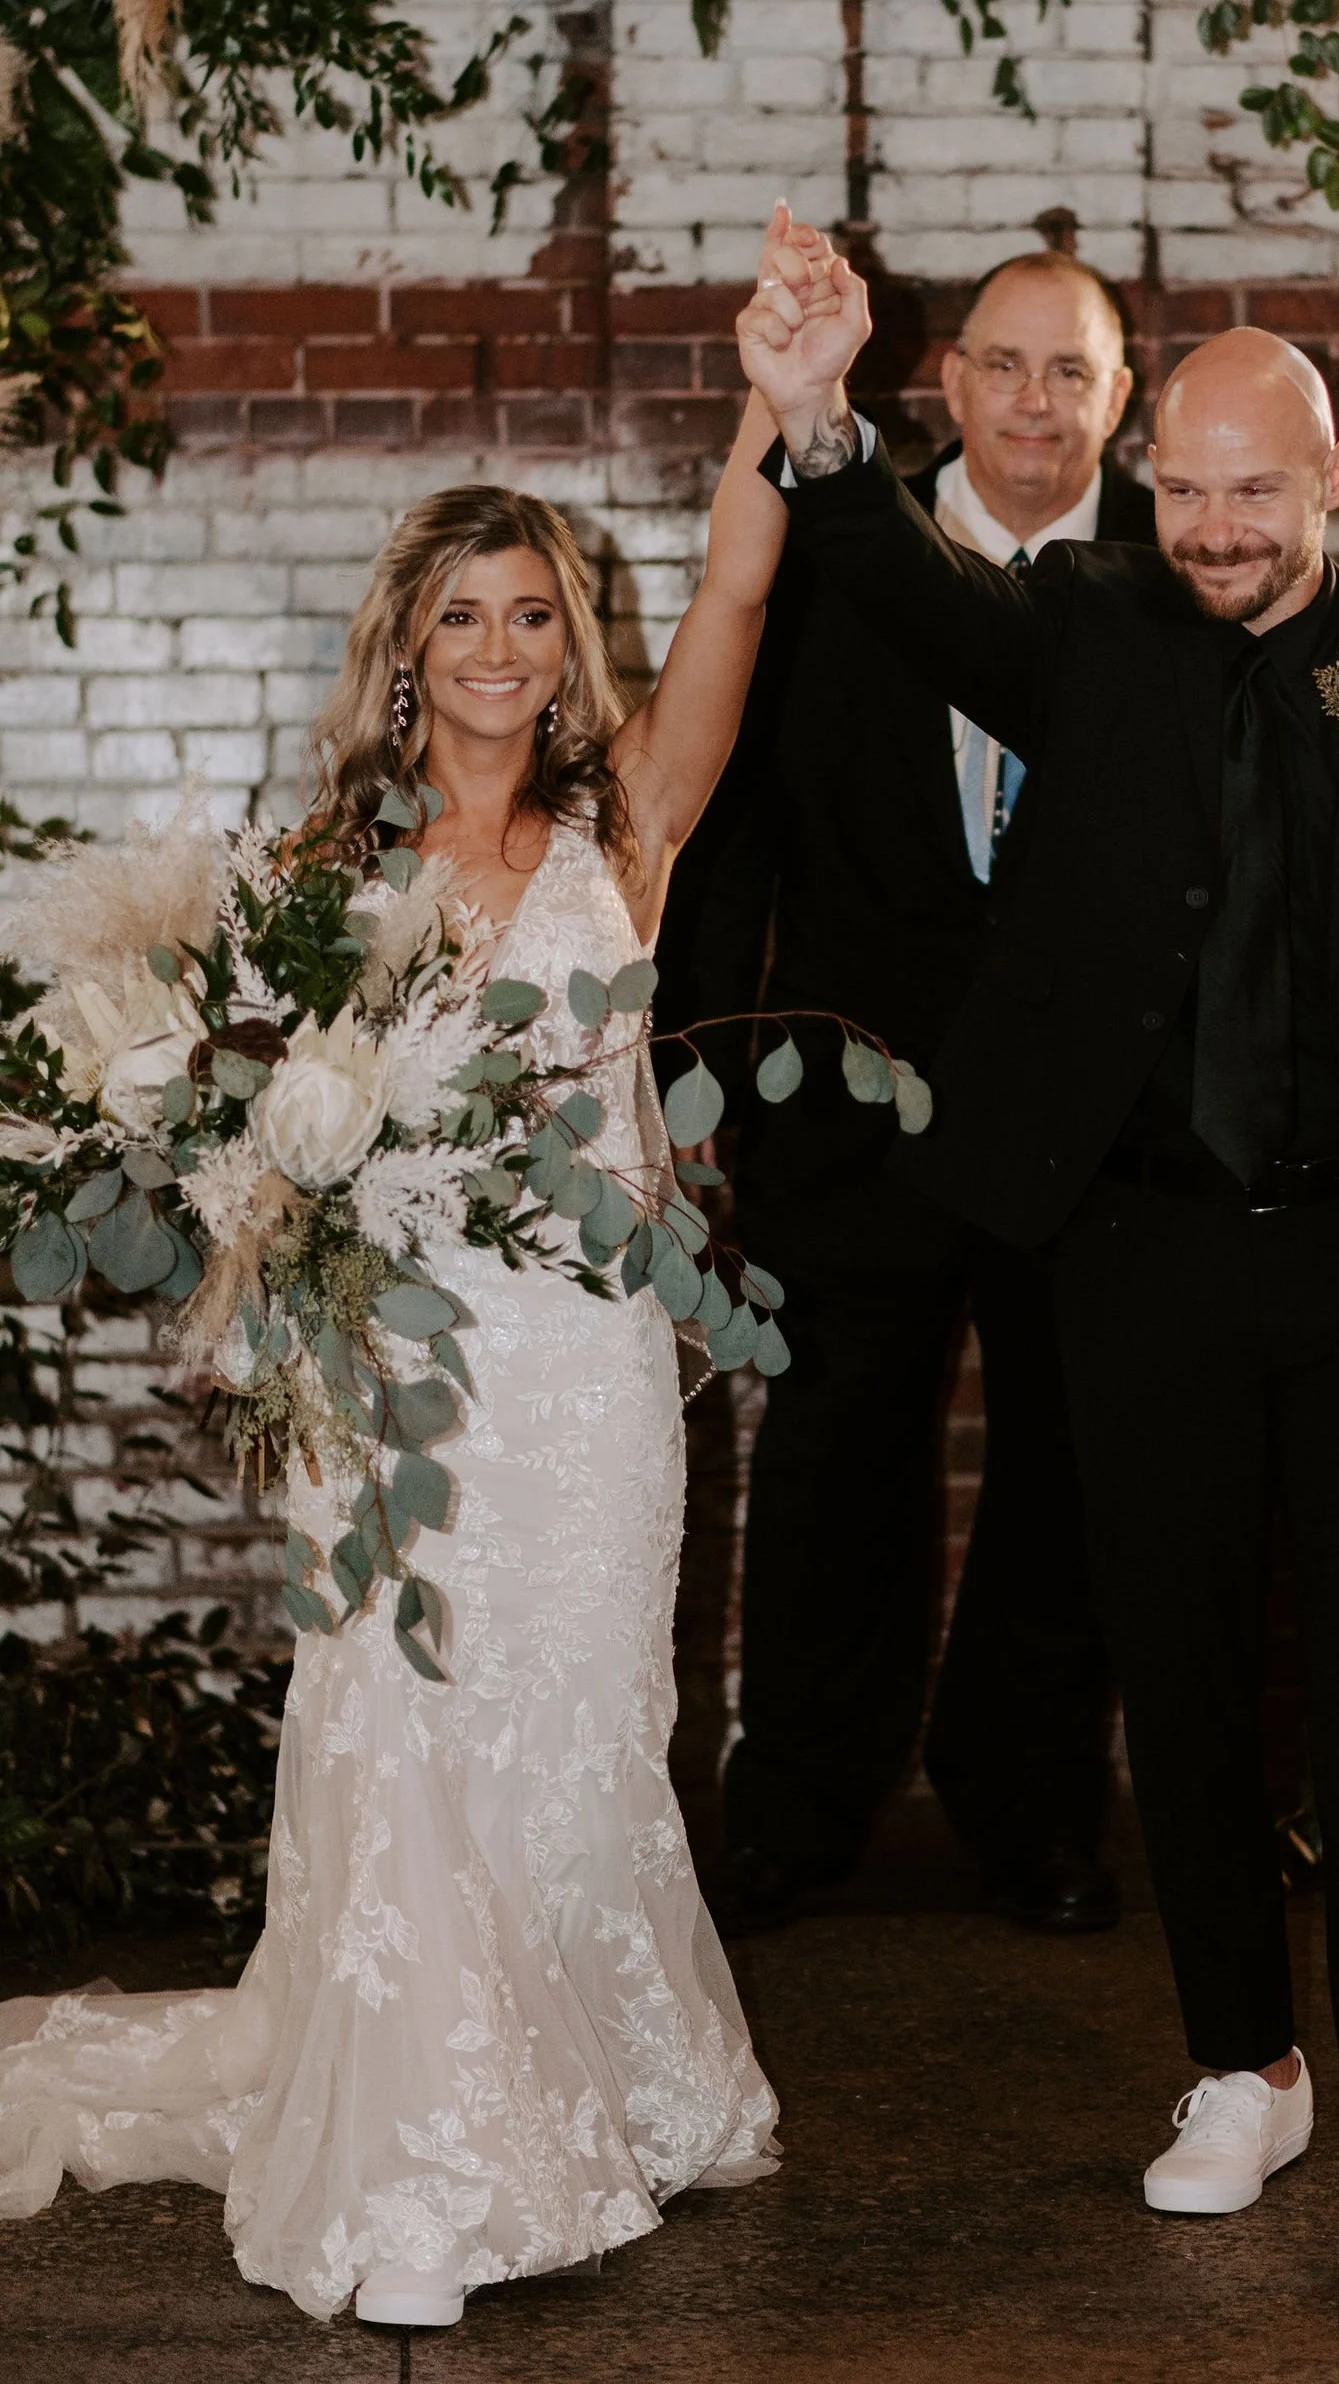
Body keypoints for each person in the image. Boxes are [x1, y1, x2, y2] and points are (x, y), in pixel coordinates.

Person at [732, 209, 1339, 2265]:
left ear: (1332, 476)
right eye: (1190, 487)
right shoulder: (1087, 640)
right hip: (1132, 1262)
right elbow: (880, 571)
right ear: (1152, 481)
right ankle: (1245, 2061)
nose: (1221, 524)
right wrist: (808, 414)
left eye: (1259, 487)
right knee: (1186, 1678)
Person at [0, 429, 791, 2328]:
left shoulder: (631, 832)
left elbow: (741, 596)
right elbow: (263, 1144)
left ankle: (601, 2073)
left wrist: (779, 409)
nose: (504, 650)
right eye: (464, 618)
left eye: (534, 615)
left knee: (585, 1727)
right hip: (399, 1378)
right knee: (413, 1726)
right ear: (408, 647)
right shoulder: (312, 867)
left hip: (594, 1373)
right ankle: (427, 2167)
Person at [663, 239, 1151, 1938]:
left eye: (1071, 372)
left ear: (1121, 397)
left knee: (1070, 1474)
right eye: (1005, 366)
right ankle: (797, 1802)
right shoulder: (822, 542)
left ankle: (1030, 1814)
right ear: (946, 384)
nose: (1034, 402)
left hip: (1096, 1131)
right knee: (832, 1460)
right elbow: (729, 828)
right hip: (846, 1108)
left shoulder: (1177, 578)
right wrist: (696, 1073)